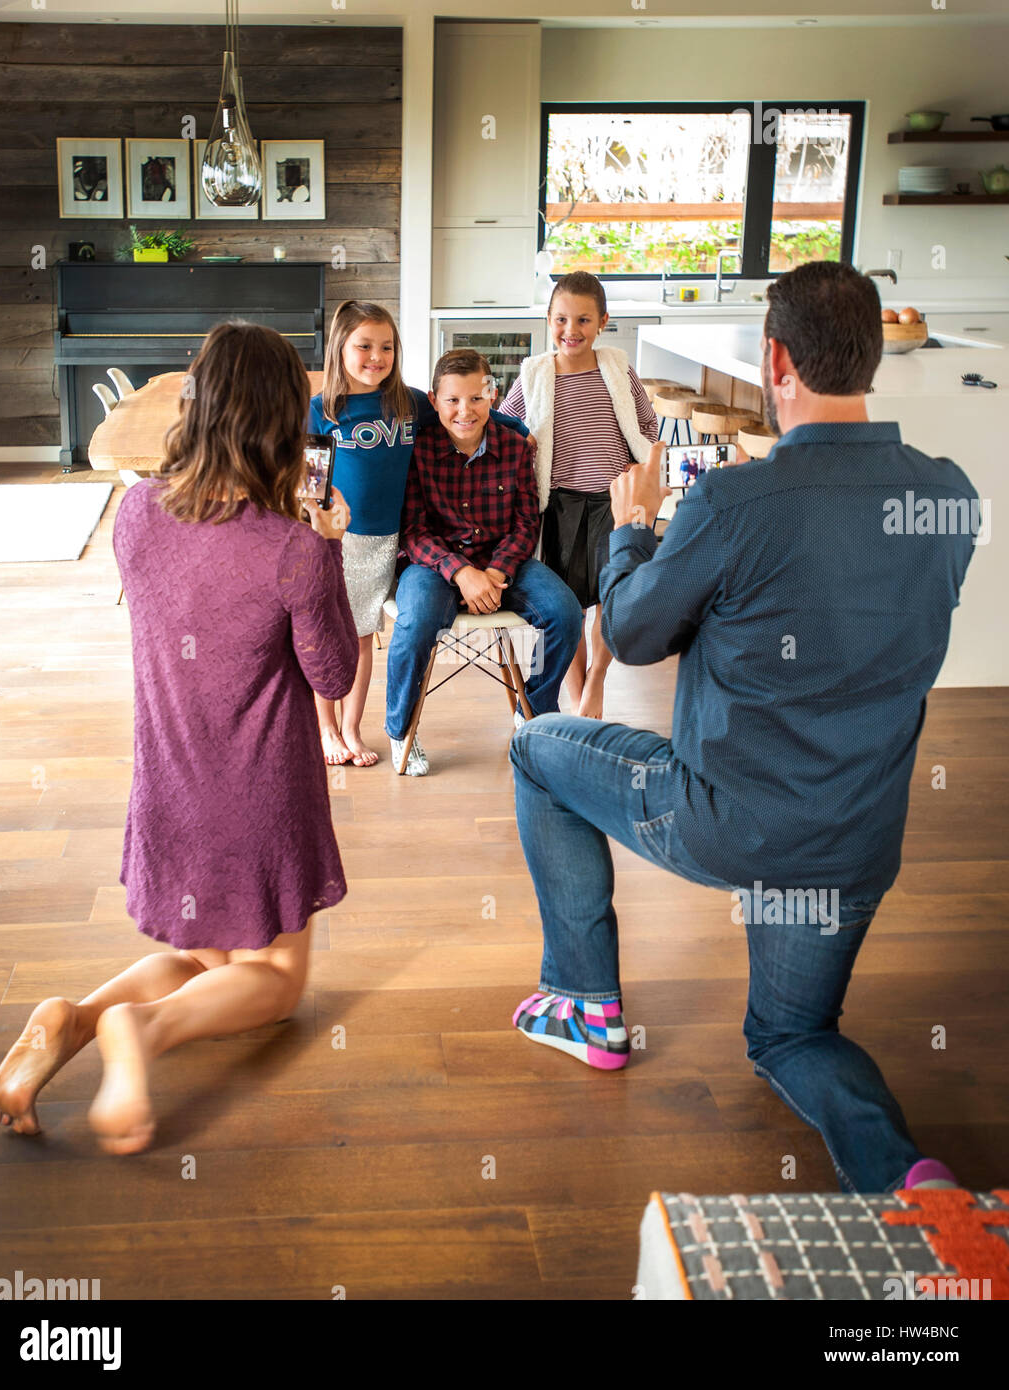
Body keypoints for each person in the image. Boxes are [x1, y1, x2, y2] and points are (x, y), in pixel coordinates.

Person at [508, 261, 979, 1194]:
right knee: (796, 1036)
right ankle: (913, 1184)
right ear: (872, 359)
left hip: (721, 821)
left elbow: (636, 635)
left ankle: (585, 1003)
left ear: (774, 360)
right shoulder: (948, 498)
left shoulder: (732, 501)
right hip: (850, 842)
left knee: (535, 747)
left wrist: (635, 531)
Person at [0, 321, 358, 1155]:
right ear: (278, 428)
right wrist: (326, 550)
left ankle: (78, 1019)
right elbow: (332, 676)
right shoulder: (294, 551)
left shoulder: (135, 516)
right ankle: (140, 1035)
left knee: (206, 967)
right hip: (258, 797)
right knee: (273, 981)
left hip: (168, 791)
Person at [310, 302, 529, 769]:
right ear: (339, 349)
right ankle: (327, 726)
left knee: (366, 635)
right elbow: (306, 478)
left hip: (391, 542)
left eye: (386, 347)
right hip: (340, 539)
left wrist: (521, 430)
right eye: (364, 346)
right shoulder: (323, 409)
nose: (376, 356)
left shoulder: (407, 403)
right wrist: (312, 521)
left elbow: (471, 414)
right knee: (332, 632)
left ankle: (352, 726)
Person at [384, 349, 582, 775]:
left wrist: (495, 572)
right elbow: (413, 531)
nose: (464, 411)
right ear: (434, 401)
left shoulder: (513, 446)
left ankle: (533, 710)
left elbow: (528, 520)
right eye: (453, 400)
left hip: (501, 559)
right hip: (434, 565)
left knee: (565, 613)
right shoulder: (417, 450)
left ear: (492, 396)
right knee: (416, 621)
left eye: (476, 398)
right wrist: (461, 572)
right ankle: (401, 728)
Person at [501, 271, 657, 720]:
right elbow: (505, 428)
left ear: (603, 321)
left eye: (583, 320)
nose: (572, 331)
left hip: (614, 503)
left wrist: (635, 465)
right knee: (569, 605)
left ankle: (597, 684)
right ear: (548, 320)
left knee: (612, 597)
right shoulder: (534, 375)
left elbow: (647, 426)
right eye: (562, 320)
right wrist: (523, 444)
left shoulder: (617, 370)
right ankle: (576, 695)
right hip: (561, 504)